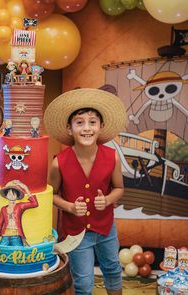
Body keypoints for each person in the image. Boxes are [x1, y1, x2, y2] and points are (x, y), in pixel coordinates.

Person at [44, 88, 127, 295]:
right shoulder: (58, 163)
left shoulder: (112, 157)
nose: (86, 128)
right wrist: (69, 206)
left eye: (92, 122)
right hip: (76, 233)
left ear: (101, 127)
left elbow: (119, 189)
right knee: (83, 282)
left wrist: (108, 200)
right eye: (79, 122)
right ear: (70, 129)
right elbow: (51, 194)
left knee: (113, 269)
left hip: (106, 229)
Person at [0, 180, 38, 246]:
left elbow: (34, 204)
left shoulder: (20, 206)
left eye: (14, 193)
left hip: (16, 236)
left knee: (18, 253)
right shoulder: (3, 209)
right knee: (1, 253)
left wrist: (25, 188)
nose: (11, 195)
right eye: (9, 193)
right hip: (5, 236)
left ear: (17, 196)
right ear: (6, 195)